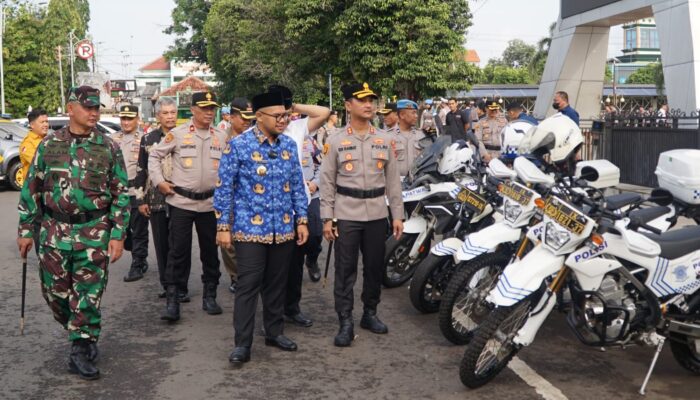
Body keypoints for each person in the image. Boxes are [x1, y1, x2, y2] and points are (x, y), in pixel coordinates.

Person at [17, 86, 130, 380]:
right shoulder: (49, 144)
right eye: (88, 107)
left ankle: (81, 345)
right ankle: (80, 330)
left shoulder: (108, 147)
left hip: (94, 232)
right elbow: (32, 187)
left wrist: (118, 234)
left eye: (97, 108)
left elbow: (120, 193)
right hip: (53, 232)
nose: (95, 113)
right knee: (55, 294)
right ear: (71, 109)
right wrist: (26, 229)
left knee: (87, 295)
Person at [214, 90, 309, 365]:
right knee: (248, 286)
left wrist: (301, 220)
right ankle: (242, 344)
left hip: (283, 228)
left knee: (277, 285)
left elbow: (297, 187)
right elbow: (224, 188)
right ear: (259, 116)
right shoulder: (239, 145)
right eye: (278, 116)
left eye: (286, 116)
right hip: (249, 230)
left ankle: (274, 332)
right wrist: (223, 226)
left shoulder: (289, 146)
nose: (283, 120)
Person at [320, 82, 404, 347]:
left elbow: (393, 181)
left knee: (375, 267)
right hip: (346, 213)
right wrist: (327, 217)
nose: (369, 105)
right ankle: (345, 320)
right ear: (348, 105)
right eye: (362, 100)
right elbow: (327, 181)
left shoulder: (385, 139)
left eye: (372, 100)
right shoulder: (334, 141)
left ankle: (370, 313)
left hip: (377, 214)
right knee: (345, 270)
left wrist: (397, 215)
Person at [149, 91, 227, 322]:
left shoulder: (221, 136)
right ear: (192, 110)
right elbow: (154, 157)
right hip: (182, 203)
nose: (209, 112)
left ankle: (210, 296)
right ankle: (173, 300)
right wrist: (160, 182)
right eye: (204, 108)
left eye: (212, 108)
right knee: (178, 252)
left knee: (210, 253)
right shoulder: (178, 134)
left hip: (211, 204)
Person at [134, 97, 192, 302]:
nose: (170, 117)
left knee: (181, 245)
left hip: (182, 199)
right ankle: (167, 286)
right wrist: (140, 201)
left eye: (173, 112)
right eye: (165, 113)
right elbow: (141, 170)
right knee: (162, 246)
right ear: (158, 116)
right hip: (156, 200)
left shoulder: (186, 136)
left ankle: (181, 287)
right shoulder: (148, 139)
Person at [220, 97, 256, 294]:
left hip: (248, 197)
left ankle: (249, 275)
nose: (247, 121)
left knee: (249, 239)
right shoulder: (219, 137)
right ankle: (236, 276)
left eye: (250, 117)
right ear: (232, 117)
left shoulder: (255, 138)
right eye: (243, 117)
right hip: (225, 196)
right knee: (228, 242)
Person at [113, 105, 150, 282]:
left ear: (137, 119)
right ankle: (137, 252)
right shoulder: (113, 139)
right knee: (124, 231)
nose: (126, 122)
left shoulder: (145, 139)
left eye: (130, 118)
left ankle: (138, 263)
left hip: (137, 191)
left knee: (139, 230)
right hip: (118, 192)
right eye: (123, 118)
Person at [392, 99, 425, 177]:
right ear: (402, 115)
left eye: (416, 113)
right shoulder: (389, 136)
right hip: (397, 183)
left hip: (418, 183)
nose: (416, 116)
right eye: (413, 113)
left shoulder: (421, 135)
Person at [19, 108, 49, 184]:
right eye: (42, 122)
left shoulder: (49, 139)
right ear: (32, 125)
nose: (46, 124)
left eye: (47, 121)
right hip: (33, 188)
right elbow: (39, 162)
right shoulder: (27, 143)